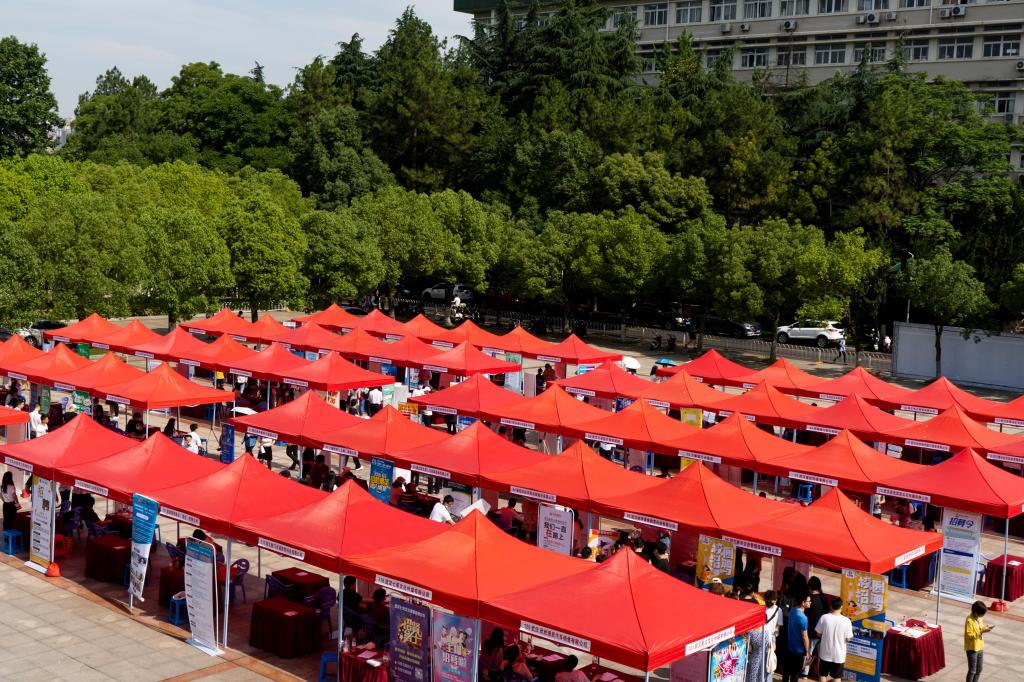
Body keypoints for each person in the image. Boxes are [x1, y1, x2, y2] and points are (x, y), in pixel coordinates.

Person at [815, 597, 853, 682]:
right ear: (841, 606)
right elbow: (848, 638)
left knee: (823, 674)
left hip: (825, 653)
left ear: (831, 606)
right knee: (837, 677)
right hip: (839, 654)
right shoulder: (847, 621)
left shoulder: (824, 617)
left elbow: (818, 633)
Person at [782, 594, 811, 682]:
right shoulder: (803, 618)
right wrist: (807, 651)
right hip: (798, 651)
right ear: (803, 603)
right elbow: (805, 636)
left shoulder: (792, 610)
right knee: (795, 674)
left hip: (789, 646)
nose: (810, 602)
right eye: (808, 601)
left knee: (786, 672)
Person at [965, 601, 992, 682]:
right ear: (976, 612)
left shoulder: (979, 618)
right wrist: (981, 632)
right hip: (972, 648)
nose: (982, 616)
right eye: (981, 614)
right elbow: (969, 635)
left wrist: (985, 627)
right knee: (972, 671)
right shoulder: (969, 620)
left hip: (980, 646)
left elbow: (980, 627)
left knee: (979, 669)